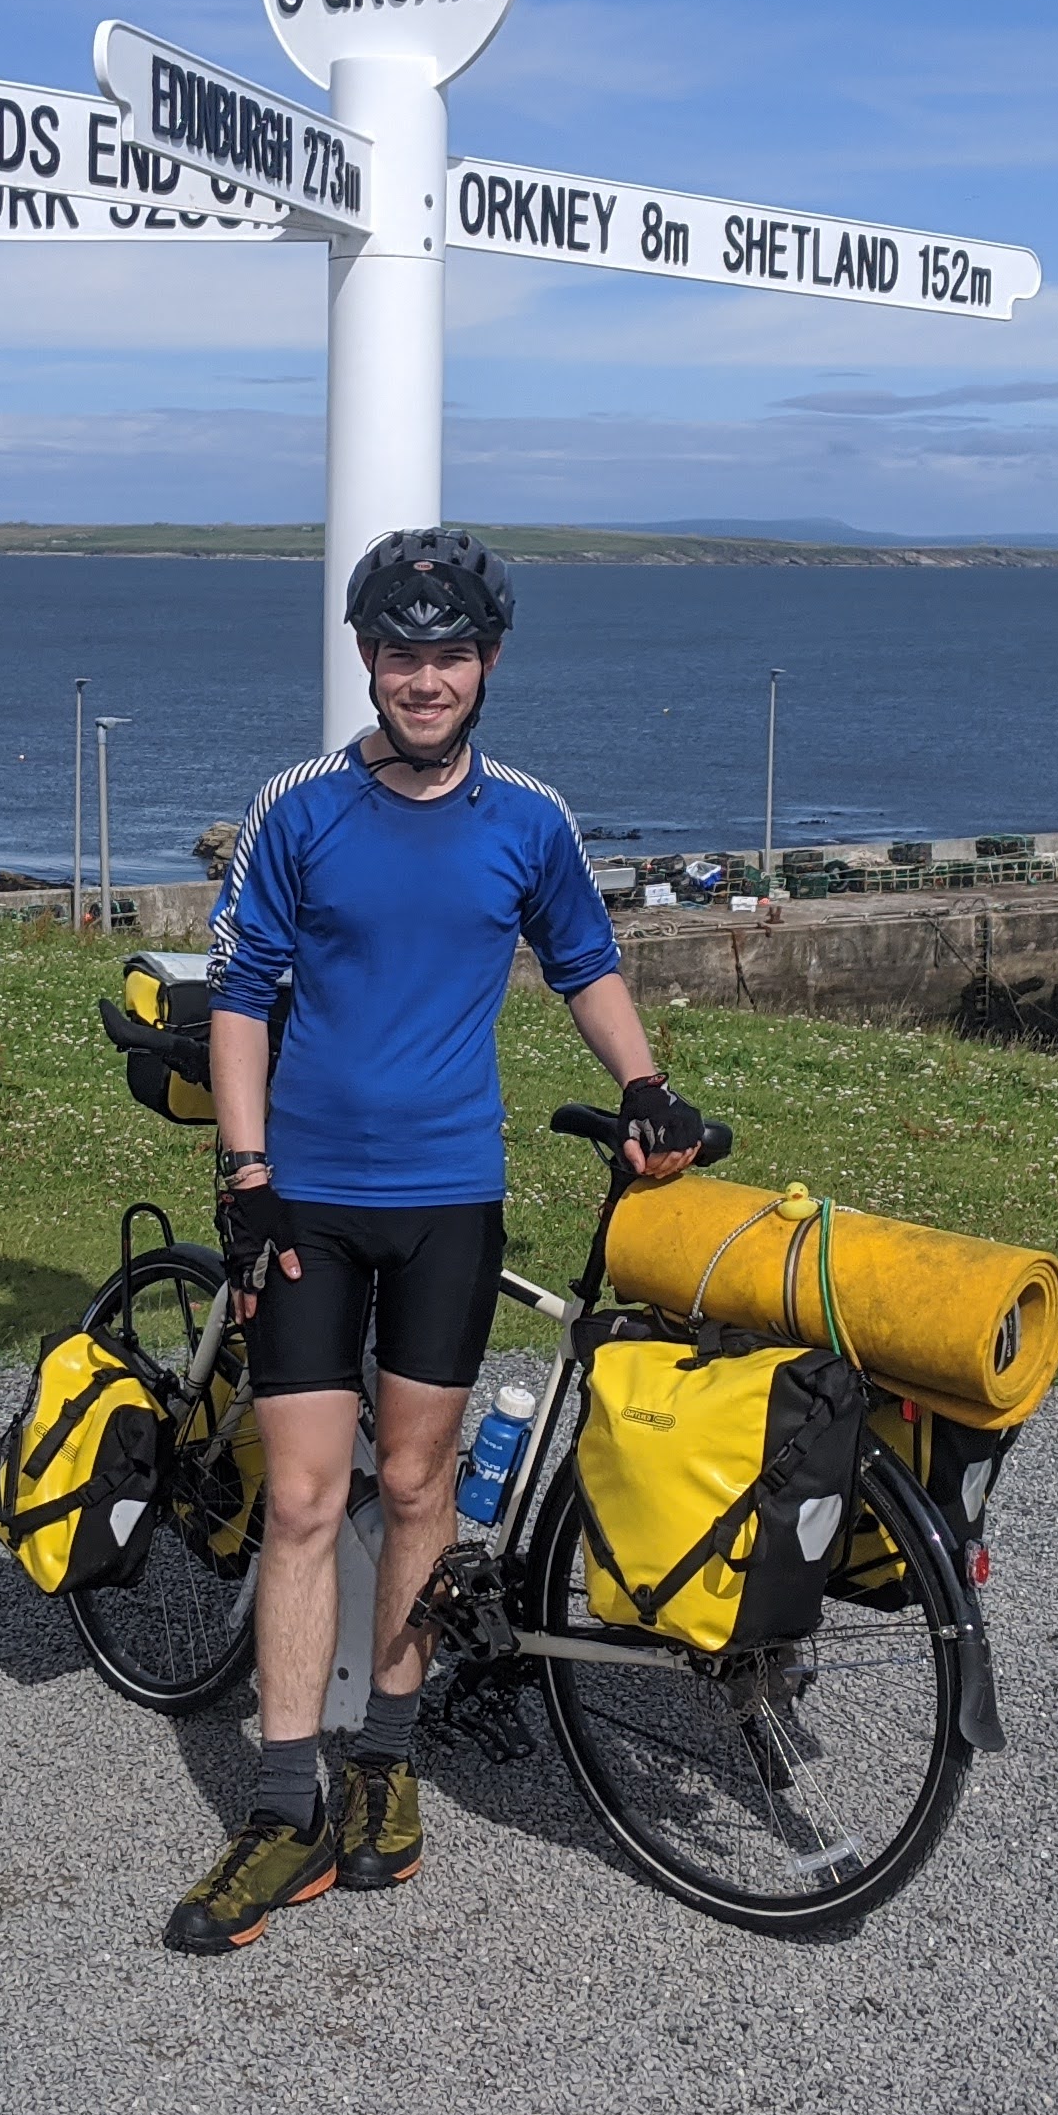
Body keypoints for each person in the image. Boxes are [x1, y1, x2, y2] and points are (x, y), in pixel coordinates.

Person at [167, 526, 703, 1953]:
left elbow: (582, 959)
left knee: (415, 1488)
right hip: (309, 1201)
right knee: (296, 1498)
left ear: (488, 664)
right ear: (367, 659)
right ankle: (287, 1806)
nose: (423, 677)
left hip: (450, 1198)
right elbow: (240, 994)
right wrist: (247, 1166)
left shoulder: (529, 819)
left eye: (447, 653)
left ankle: (389, 1763)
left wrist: (641, 1082)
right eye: (400, 653)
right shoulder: (299, 806)